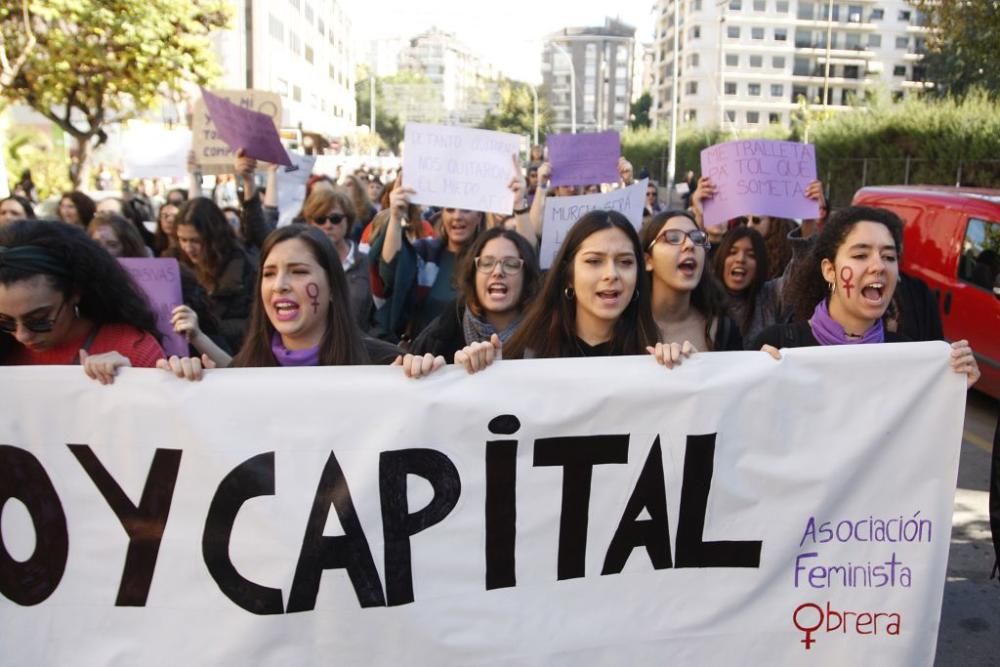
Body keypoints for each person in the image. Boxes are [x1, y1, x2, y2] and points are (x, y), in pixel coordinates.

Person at [751, 206, 980, 388]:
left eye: (889, 257)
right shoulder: (777, 345)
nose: (879, 265)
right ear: (829, 270)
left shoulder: (908, 356)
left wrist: (952, 391)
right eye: (861, 255)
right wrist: (753, 382)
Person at [157, 225, 399, 379]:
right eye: (269, 273)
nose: (280, 285)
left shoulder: (383, 365)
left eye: (299, 271)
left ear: (333, 287)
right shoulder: (242, 372)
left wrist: (422, 373)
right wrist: (185, 384)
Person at [0, 219, 164, 383]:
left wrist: (133, 384)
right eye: (5, 321)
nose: (22, 336)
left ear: (74, 293)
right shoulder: (7, 347)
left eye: (38, 319)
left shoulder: (134, 349)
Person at [407, 227, 541, 361]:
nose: (498, 272)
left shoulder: (548, 336)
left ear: (527, 277)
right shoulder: (440, 337)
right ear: (473, 275)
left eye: (511, 264)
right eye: (487, 263)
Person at [640, 210, 742, 356]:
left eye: (697, 238)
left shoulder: (724, 329)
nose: (689, 244)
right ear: (648, 260)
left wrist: (765, 361)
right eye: (673, 238)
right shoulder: (623, 327)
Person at [174, 197, 255, 351]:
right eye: (182, 239)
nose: (187, 248)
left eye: (195, 240)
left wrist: (204, 327)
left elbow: (250, 323)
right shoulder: (177, 261)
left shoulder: (241, 268)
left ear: (214, 236)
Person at [300, 185, 373, 331]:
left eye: (335, 219)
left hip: (357, 346)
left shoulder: (365, 262)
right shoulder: (300, 262)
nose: (328, 225)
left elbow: (376, 316)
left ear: (348, 220)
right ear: (311, 223)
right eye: (320, 219)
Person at [713, 226, 776, 343]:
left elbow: (797, 269)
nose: (740, 259)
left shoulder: (771, 295)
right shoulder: (702, 296)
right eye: (732, 252)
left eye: (751, 255)